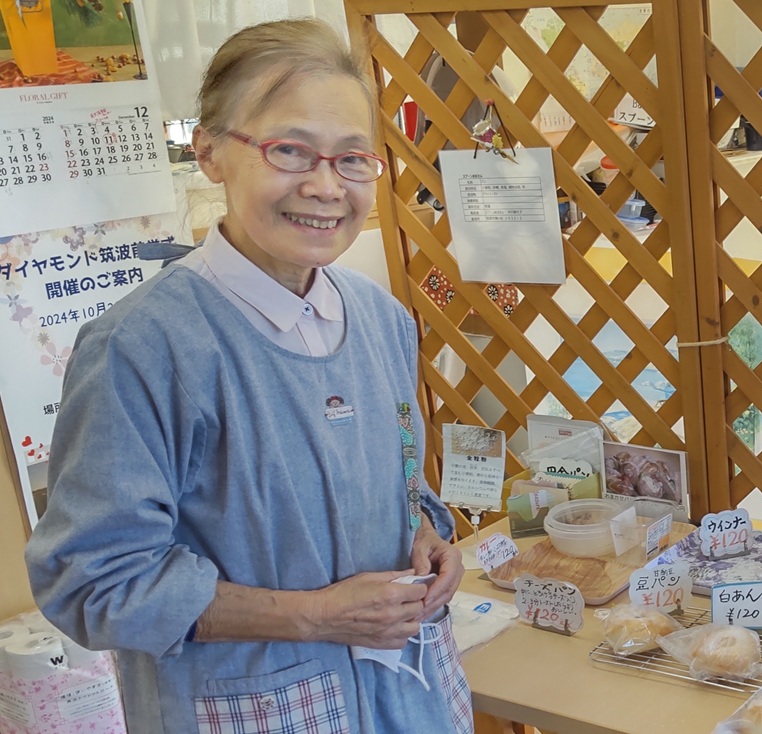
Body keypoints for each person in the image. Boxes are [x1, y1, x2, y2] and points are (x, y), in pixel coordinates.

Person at [25, 19, 472, 734]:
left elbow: (405, 481)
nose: (326, 187)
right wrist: (316, 616)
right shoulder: (144, 348)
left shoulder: (380, 318)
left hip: (411, 699)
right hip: (251, 710)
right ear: (209, 152)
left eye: (353, 158)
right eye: (289, 150)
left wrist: (426, 536)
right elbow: (90, 579)